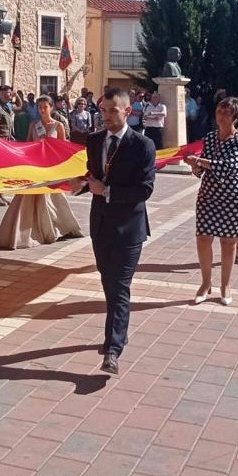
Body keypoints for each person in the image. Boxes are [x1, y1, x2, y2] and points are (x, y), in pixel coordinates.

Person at [71, 88, 156, 375]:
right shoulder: (94, 141)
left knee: (119, 287)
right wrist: (82, 184)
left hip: (129, 230)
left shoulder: (142, 145)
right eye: (103, 110)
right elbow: (94, 175)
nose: (106, 116)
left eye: (113, 111)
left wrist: (106, 191)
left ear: (127, 112)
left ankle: (112, 350)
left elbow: (144, 189)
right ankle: (119, 330)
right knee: (109, 284)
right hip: (101, 226)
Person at [184, 97, 238, 307]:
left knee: (228, 242)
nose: (220, 116)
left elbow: (228, 166)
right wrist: (194, 166)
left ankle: (226, 285)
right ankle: (205, 283)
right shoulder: (210, 137)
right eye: (219, 112)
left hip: (233, 197)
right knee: (203, 238)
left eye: (226, 113)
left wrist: (201, 161)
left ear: (235, 117)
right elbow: (202, 170)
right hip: (208, 196)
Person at [0, 96, 83, 249]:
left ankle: (57, 228)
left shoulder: (58, 125)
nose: (42, 110)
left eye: (45, 107)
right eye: (39, 107)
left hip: (51, 168)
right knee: (29, 198)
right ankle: (30, 231)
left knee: (52, 199)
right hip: (36, 167)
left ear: (51, 108)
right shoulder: (34, 125)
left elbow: (64, 148)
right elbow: (27, 145)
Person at [0, 84, 17, 206]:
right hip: (0, 142)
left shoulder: (7, 107)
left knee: (4, 170)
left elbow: (20, 106)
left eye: (11, 92)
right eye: (8, 93)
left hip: (7, 141)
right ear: (1, 94)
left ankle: (1, 195)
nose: (10, 94)